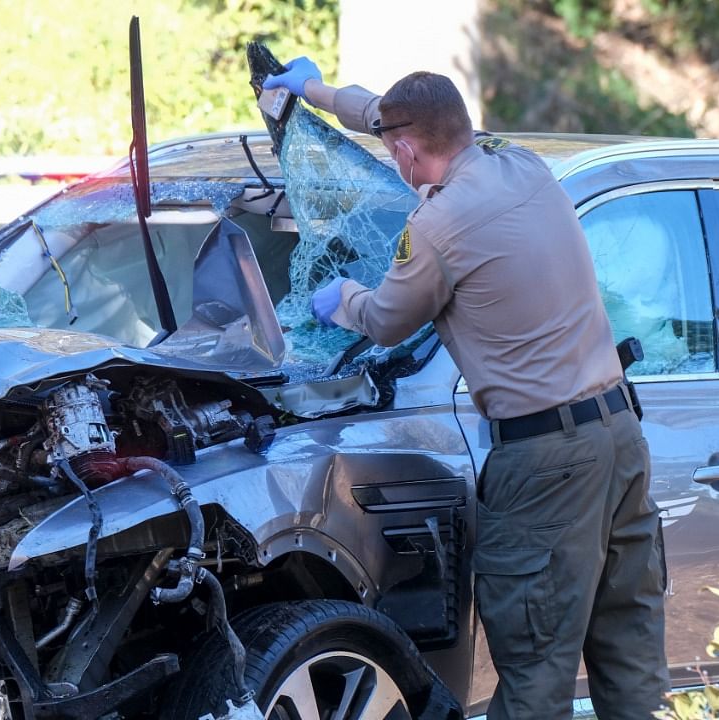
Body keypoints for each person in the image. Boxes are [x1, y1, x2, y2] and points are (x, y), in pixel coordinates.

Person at [263, 58, 670, 719]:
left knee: (535, 681)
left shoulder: (437, 228)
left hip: (545, 466)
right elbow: (390, 115)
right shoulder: (522, 165)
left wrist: (341, 299)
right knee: (631, 674)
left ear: (403, 149)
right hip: (619, 440)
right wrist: (314, 90)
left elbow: (388, 322)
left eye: (394, 147)